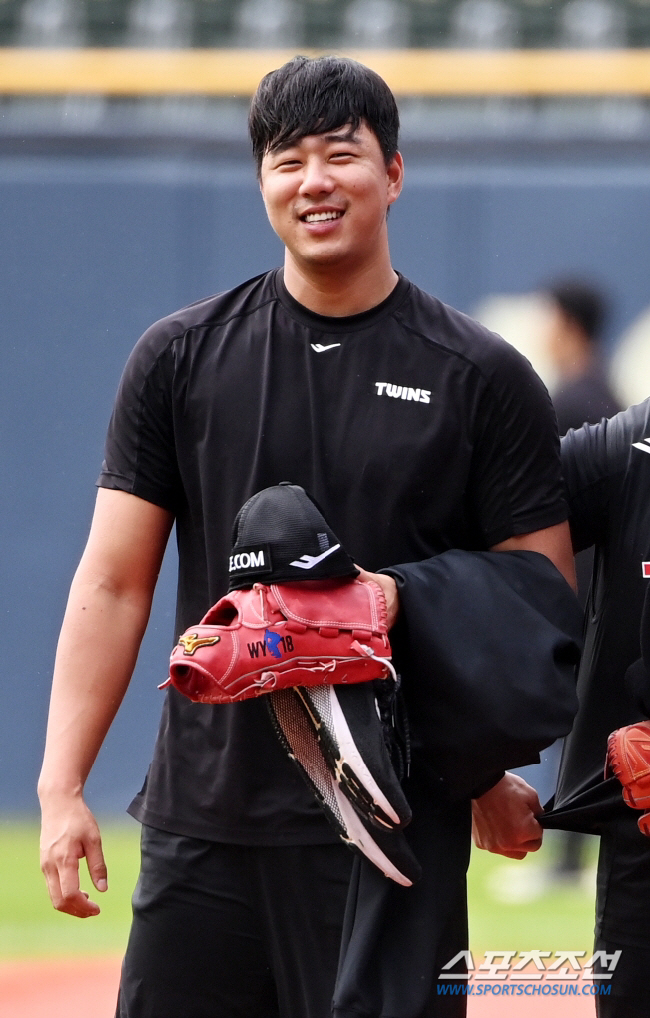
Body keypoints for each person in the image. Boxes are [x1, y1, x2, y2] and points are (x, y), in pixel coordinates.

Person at [38, 55, 575, 1018]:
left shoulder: (481, 376)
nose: (314, 180)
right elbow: (116, 582)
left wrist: (481, 765)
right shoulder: (180, 356)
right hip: (207, 823)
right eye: (287, 160)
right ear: (262, 185)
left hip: (394, 831)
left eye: (342, 154)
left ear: (395, 173)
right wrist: (61, 784)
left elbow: (536, 600)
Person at [545, 278, 621, 437]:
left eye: (551, 320)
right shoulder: (601, 393)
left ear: (572, 327)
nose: (544, 332)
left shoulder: (571, 404)